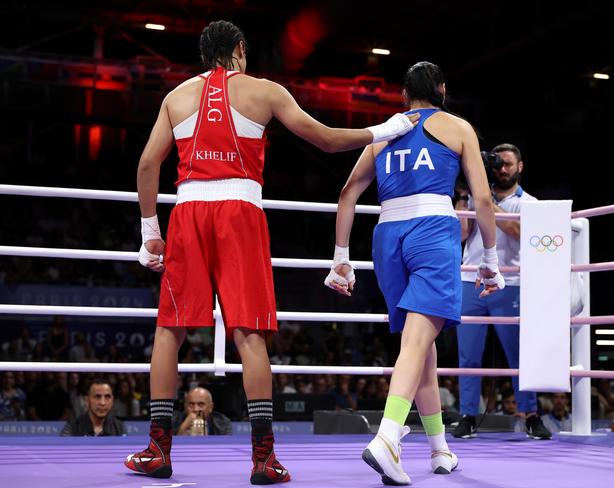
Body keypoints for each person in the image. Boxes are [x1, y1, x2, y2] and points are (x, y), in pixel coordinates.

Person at [125, 19, 418, 485]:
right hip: (240, 212)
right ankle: (263, 458)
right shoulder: (264, 90)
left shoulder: (174, 97)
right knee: (249, 333)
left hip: (187, 211)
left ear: (205, 55)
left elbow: (146, 164)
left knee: (170, 330)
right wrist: (384, 129)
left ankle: (158, 451)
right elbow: (325, 138)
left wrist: (149, 231)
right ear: (240, 50)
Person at [325, 61, 504, 485]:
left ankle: (440, 449)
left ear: (405, 95)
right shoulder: (458, 127)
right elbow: (481, 197)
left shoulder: (386, 131)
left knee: (420, 346)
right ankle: (387, 438)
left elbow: (348, 192)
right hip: (431, 232)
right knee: (417, 341)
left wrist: (340, 257)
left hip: (387, 237)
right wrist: (491, 260)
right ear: (441, 88)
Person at [452, 143, 552, 441]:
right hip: (471, 280)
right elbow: (460, 235)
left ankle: (531, 415)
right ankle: (468, 415)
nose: (503, 169)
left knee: (518, 355)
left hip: (511, 284)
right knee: (468, 356)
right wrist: (464, 198)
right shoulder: (472, 198)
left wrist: (485, 203)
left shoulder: (529, 203)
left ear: (520, 167)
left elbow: (520, 235)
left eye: (508, 164)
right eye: (498, 165)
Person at [60, 379, 124, 436]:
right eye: (97, 397)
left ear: (112, 400)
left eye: (107, 397)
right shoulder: (73, 427)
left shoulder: (118, 427)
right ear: (87, 400)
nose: (102, 403)